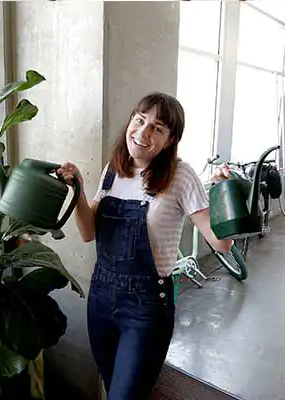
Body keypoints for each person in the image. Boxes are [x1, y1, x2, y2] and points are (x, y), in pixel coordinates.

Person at [58, 92, 233, 399]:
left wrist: (224, 192)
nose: (143, 133)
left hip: (146, 308)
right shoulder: (113, 171)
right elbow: (88, 232)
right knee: (114, 387)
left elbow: (221, 243)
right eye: (140, 120)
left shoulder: (181, 176)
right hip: (100, 300)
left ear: (169, 140)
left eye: (157, 128)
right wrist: (78, 191)